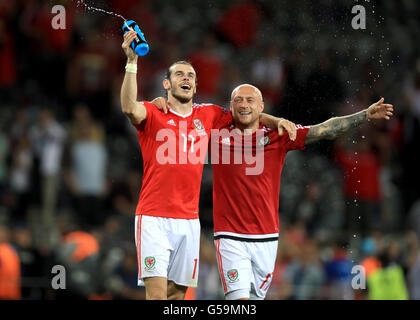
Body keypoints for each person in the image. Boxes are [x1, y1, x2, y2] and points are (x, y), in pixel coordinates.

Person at [120, 31, 292, 300]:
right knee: (156, 296)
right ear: (166, 84)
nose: (186, 78)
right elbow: (130, 107)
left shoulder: (209, 115)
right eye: (179, 74)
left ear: (196, 87)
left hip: (189, 220)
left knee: (178, 296)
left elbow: (245, 114)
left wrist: (276, 120)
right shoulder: (154, 113)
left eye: (190, 76)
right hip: (154, 217)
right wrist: (132, 62)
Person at [211, 84, 394, 300]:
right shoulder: (217, 132)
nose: (243, 104)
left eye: (250, 100)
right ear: (230, 105)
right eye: (238, 100)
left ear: (261, 106)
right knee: (239, 301)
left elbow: (325, 129)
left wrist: (363, 115)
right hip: (230, 236)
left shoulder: (278, 135)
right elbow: (184, 114)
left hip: (266, 238)